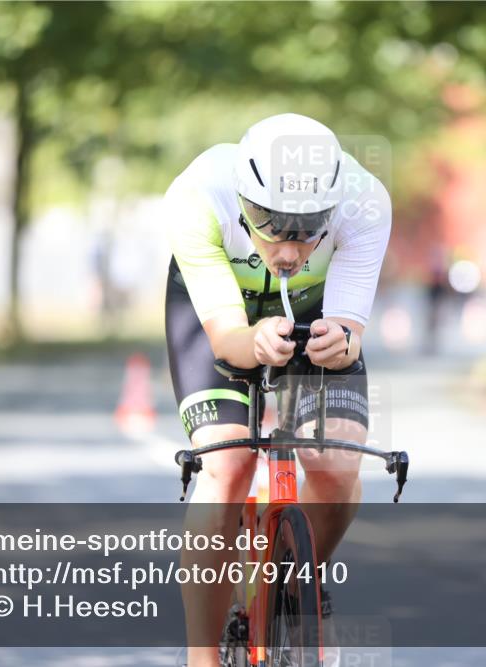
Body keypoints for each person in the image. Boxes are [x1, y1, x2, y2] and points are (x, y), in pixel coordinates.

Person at [163, 113, 391, 666]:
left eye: (309, 227)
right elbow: (227, 343)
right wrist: (254, 342)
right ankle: (202, 658)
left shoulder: (365, 202)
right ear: (243, 198)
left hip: (311, 310)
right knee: (227, 465)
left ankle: (301, 586)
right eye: (268, 223)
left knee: (338, 463)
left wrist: (342, 342)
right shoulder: (197, 195)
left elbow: (350, 331)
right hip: (221, 314)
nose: (288, 250)